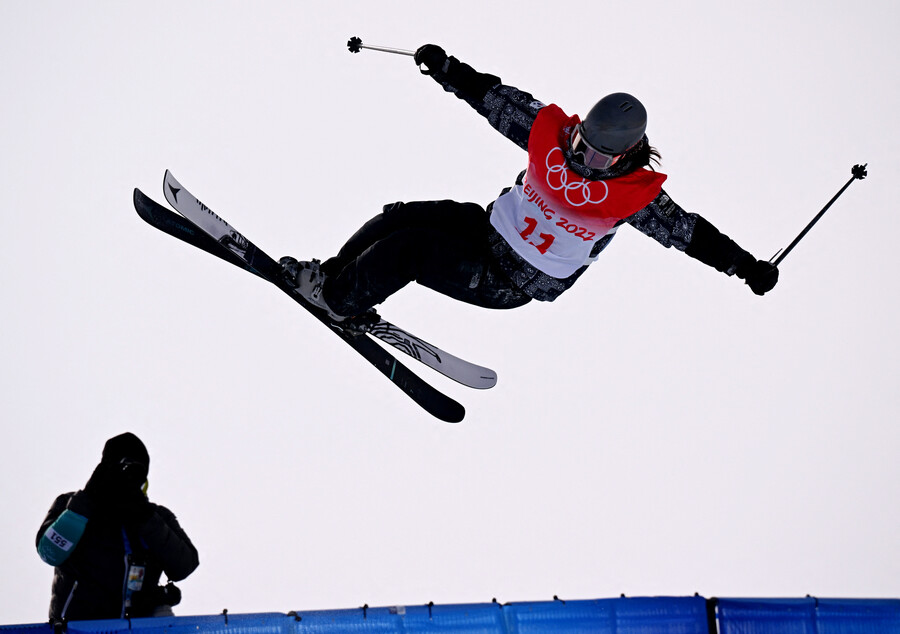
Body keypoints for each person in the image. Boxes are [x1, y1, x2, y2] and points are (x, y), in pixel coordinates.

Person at [280, 44, 778, 322]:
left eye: (602, 158)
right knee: (402, 216)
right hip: (488, 231)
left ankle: (340, 302)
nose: (587, 161)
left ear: (627, 156)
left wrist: (744, 266)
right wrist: (449, 70)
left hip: (512, 280)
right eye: (583, 147)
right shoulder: (555, 137)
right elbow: (497, 102)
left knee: (411, 248)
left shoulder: (634, 197)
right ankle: (329, 279)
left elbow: (691, 234)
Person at [36, 432, 199, 622]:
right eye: (120, 469)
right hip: (78, 628)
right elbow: (50, 552)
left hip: (136, 628)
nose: (127, 478)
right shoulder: (72, 505)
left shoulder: (156, 517)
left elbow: (184, 565)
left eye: (136, 472)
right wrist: (87, 500)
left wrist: (143, 515)